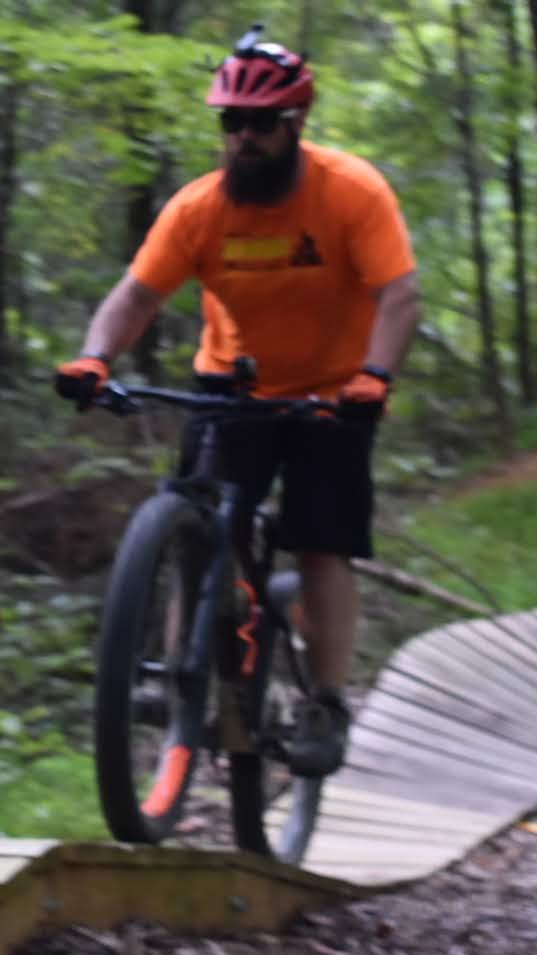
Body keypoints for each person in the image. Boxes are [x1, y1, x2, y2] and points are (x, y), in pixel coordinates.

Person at [55, 25, 423, 778]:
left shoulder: (350, 190)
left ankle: (324, 698)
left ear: (295, 126)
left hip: (335, 394)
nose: (245, 139)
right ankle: (172, 668)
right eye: (232, 123)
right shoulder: (198, 210)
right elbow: (136, 295)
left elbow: (400, 294)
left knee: (321, 542)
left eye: (261, 124)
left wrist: (376, 377)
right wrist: (95, 357)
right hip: (233, 387)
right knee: (193, 522)